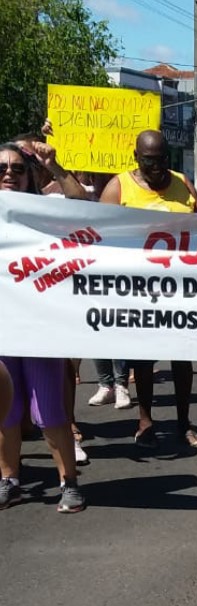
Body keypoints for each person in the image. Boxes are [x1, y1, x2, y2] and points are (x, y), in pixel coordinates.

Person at [98, 130, 197, 449]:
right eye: (149, 161)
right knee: (144, 359)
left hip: (181, 289)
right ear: (136, 157)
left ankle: (184, 423)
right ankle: (145, 422)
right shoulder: (119, 187)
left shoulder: (182, 182)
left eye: (162, 159)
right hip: (139, 290)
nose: (157, 166)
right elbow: (100, 233)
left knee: (182, 357)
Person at [0, 141, 87, 513]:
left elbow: (82, 205)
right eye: (2, 168)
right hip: (2, 330)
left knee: (50, 410)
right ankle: (9, 481)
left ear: (29, 175)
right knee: (5, 412)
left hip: (38, 326)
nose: (9, 173)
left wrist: (55, 166)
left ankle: (69, 483)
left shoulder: (46, 210)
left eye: (17, 168)